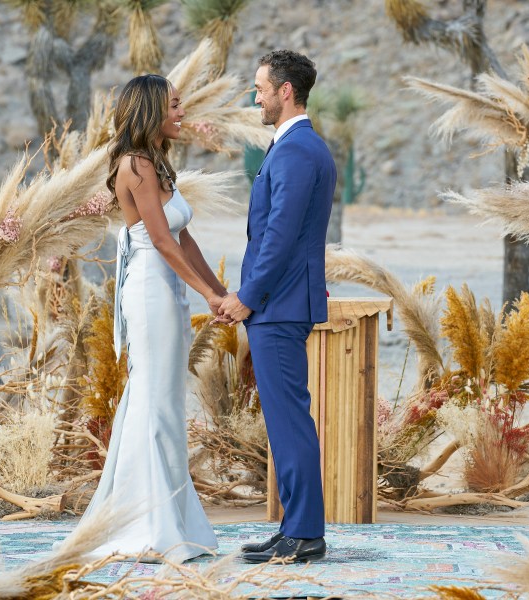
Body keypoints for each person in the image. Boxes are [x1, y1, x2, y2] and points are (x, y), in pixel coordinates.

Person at [66, 74, 225, 563]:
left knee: (163, 402)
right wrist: (207, 297)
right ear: (152, 110)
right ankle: (144, 524)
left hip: (170, 287)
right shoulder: (135, 166)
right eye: (175, 105)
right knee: (153, 403)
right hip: (151, 290)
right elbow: (159, 240)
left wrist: (218, 293)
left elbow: (185, 237)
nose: (182, 114)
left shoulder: (160, 163)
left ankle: (169, 518)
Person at [218, 50, 336, 563]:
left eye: (261, 87)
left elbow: (279, 238)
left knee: (289, 422)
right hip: (283, 301)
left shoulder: (295, 152)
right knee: (288, 420)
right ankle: (295, 525)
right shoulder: (301, 147)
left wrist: (247, 297)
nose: (256, 96)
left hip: (278, 304)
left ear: (286, 90)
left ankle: (305, 532)